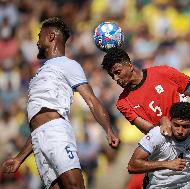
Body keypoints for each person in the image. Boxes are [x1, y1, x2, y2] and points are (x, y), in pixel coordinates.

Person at [0, 17, 120, 189]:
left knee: (74, 186)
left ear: (50, 37)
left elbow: (92, 100)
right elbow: (37, 125)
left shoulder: (67, 65)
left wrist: (109, 130)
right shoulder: (38, 74)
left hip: (56, 132)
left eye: (39, 36)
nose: (37, 41)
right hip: (38, 140)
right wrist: (20, 158)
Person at [101, 48, 190, 188]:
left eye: (117, 72)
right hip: (162, 155)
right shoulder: (123, 103)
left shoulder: (164, 72)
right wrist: (165, 122)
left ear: (129, 65)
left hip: (188, 151)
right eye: (112, 75)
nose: (115, 79)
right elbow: (150, 130)